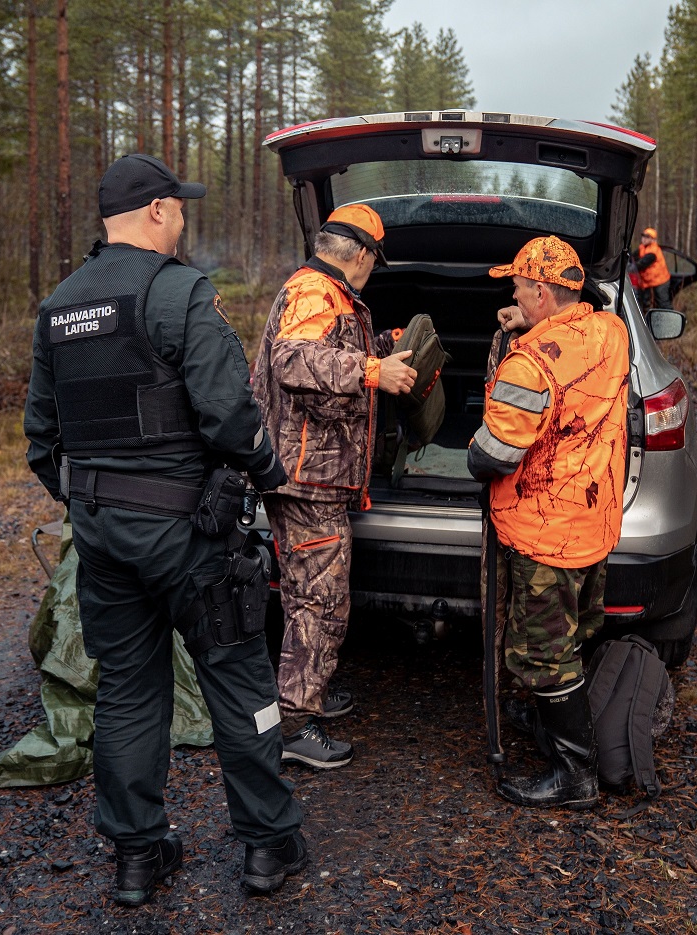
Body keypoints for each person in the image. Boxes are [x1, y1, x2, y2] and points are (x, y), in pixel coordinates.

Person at [23, 153, 305, 905]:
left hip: (102, 540)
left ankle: (137, 857)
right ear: (154, 212)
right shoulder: (179, 292)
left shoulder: (59, 306)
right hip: (190, 535)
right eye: (178, 207)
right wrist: (261, 475)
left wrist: (96, 503)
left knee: (125, 691)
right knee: (240, 678)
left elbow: (40, 440)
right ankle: (267, 845)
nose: (184, 217)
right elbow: (231, 415)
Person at [252, 204, 417, 770]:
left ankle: (307, 695)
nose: (373, 270)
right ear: (363, 255)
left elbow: (325, 356)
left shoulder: (328, 293)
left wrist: (379, 350)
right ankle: (295, 724)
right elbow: (293, 361)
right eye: (376, 260)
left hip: (313, 478)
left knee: (309, 597)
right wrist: (374, 372)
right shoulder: (315, 292)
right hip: (305, 481)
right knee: (319, 603)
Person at [467, 235, 630, 809]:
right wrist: (528, 324)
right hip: (593, 521)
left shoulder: (530, 365)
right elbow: (570, 346)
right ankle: (549, 718)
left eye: (518, 285)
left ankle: (574, 776)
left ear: (540, 291)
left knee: (544, 652)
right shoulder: (611, 334)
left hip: (543, 532)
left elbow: (491, 456)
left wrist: (521, 347)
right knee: (574, 632)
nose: (511, 291)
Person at [636, 227, 672, 310]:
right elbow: (632, 257)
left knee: (663, 303)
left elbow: (641, 264)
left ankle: (671, 319)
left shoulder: (653, 251)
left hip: (661, 281)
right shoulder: (642, 247)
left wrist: (629, 267)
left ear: (653, 240)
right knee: (645, 302)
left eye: (647, 237)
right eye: (643, 236)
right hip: (649, 281)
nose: (644, 239)